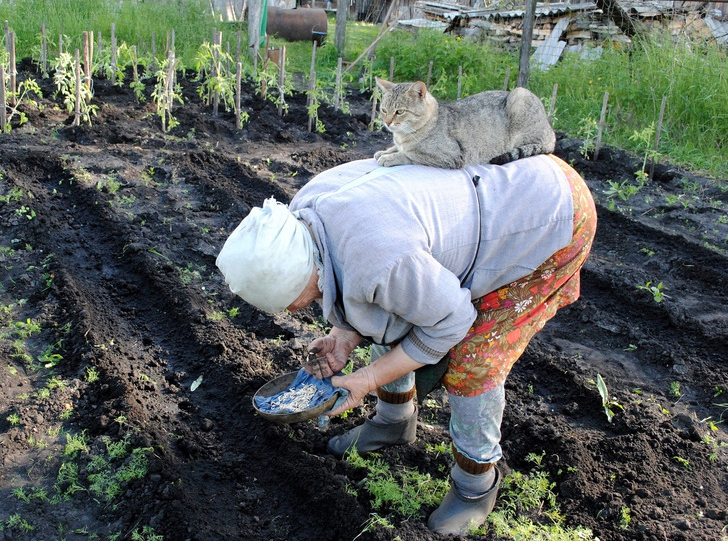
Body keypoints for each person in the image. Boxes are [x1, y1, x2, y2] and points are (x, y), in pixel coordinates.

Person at [216, 153, 597, 535]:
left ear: (298, 277)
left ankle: (475, 485)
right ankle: (394, 424)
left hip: (550, 214)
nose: (294, 309)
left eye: (293, 302)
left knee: (473, 359)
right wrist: (343, 337)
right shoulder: (304, 216)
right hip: (488, 204)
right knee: (406, 310)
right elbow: (375, 291)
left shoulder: (381, 261)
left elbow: (449, 322)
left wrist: (366, 380)